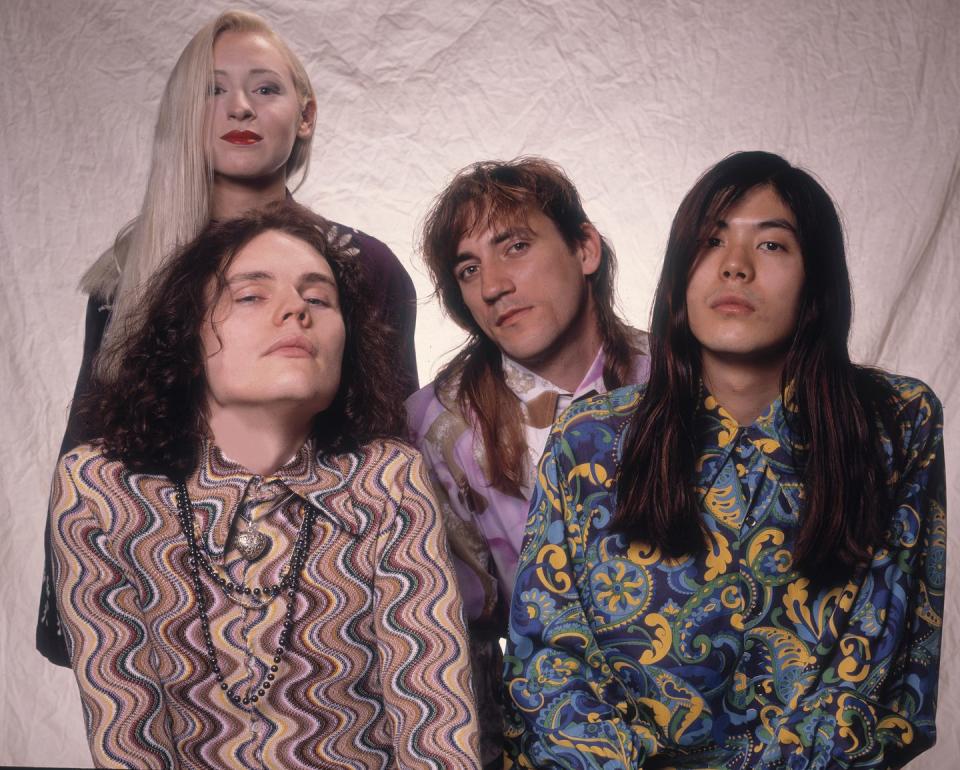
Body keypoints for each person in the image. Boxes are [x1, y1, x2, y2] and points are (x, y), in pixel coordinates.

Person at [504, 151, 945, 769]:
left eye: (771, 246)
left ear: (816, 278)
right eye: (711, 241)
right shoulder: (592, 439)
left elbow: (885, 673)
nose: (734, 267)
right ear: (682, 274)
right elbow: (546, 665)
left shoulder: (895, 424)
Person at [38, 9, 419, 667]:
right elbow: (91, 442)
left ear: (305, 114)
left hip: (329, 604)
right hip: (162, 604)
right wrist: (77, 611)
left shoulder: (365, 267)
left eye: (264, 87)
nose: (239, 105)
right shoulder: (130, 272)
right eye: (213, 89)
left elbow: (390, 452)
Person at [49, 202, 479, 769]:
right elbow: (127, 740)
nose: (296, 310)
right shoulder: (101, 490)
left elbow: (435, 729)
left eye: (319, 298)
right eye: (252, 294)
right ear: (188, 334)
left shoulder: (389, 480)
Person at [406, 157, 650, 765]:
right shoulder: (437, 428)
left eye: (515, 246)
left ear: (585, 248)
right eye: (469, 268)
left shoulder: (681, 378)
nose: (492, 285)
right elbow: (462, 644)